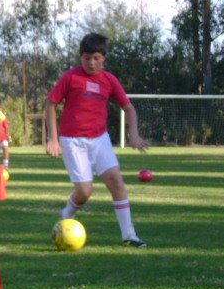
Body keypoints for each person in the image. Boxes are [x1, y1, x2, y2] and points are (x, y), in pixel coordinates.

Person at [44, 33, 149, 247]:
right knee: (84, 191)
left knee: (116, 182)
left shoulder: (109, 80)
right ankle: (66, 214)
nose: (91, 63)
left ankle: (129, 235)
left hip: (100, 140)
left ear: (104, 59)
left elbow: (128, 107)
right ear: (80, 57)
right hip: (73, 141)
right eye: (87, 58)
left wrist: (134, 134)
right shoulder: (70, 78)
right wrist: (53, 139)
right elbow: (50, 103)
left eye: (96, 58)